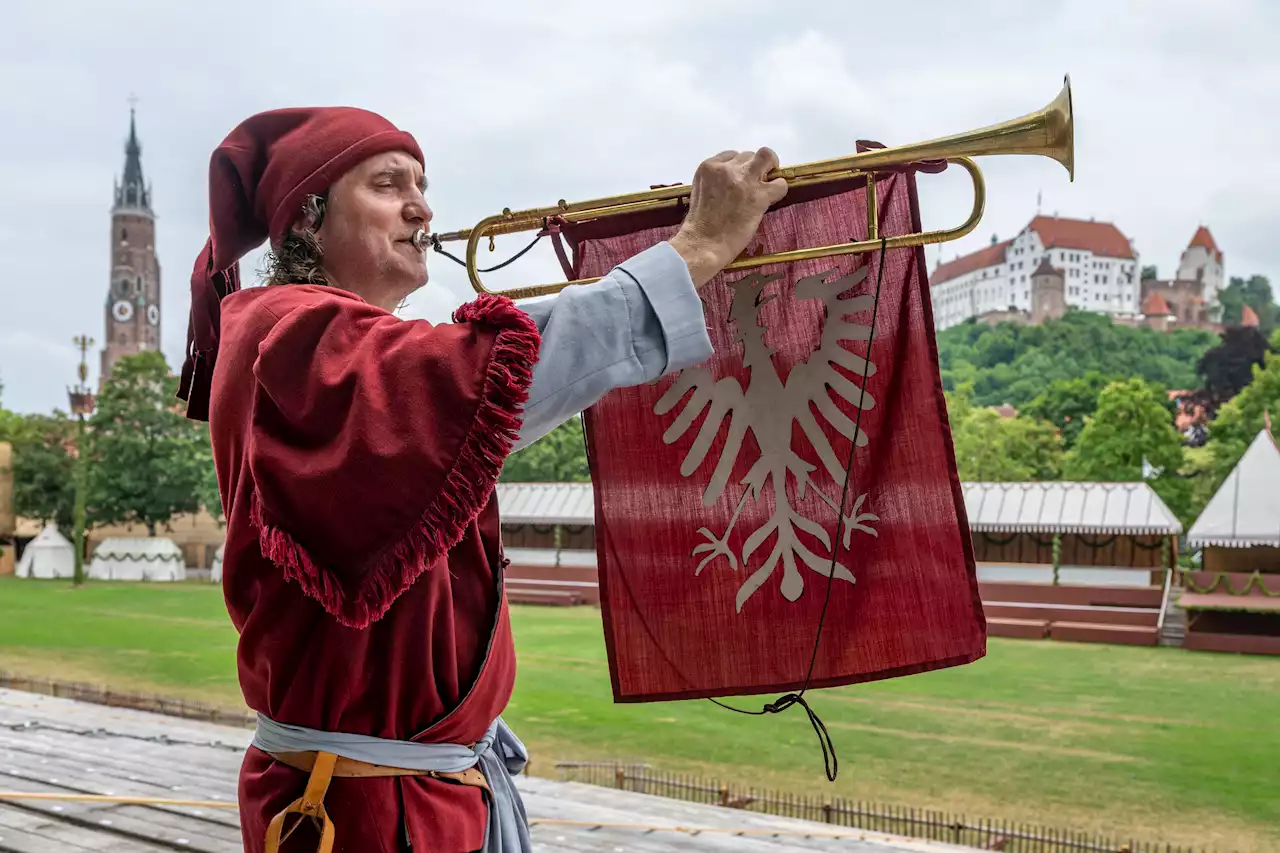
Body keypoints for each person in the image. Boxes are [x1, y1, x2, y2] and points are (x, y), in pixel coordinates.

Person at [178, 106, 787, 853]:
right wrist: (695, 248)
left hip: (406, 791)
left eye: (423, 183)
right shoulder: (298, 332)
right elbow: (496, 370)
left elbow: (461, 373)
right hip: (368, 814)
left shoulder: (329, 340)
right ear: (307, 220)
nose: (422, 206)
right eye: (386, 182)